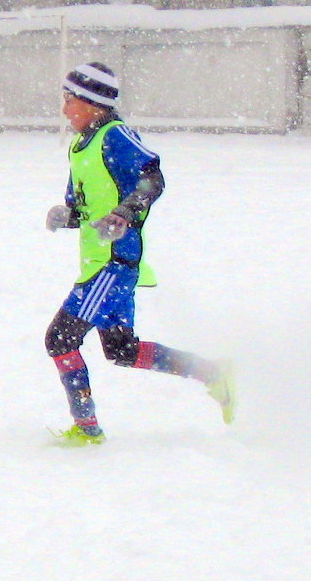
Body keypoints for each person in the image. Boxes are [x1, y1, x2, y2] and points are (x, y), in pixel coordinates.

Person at [44, 62, 236, 445]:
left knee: (59, 339)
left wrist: (123, 215)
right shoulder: (79, 146)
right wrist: (67, 215)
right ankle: (213, 372)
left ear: (92, 103)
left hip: (113, 265)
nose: (64, 109)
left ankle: (86, 430)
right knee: (123, 351)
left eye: (70, 100)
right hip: (98, 262)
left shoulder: (115, 136)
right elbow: (84, 205)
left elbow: (153, 177)